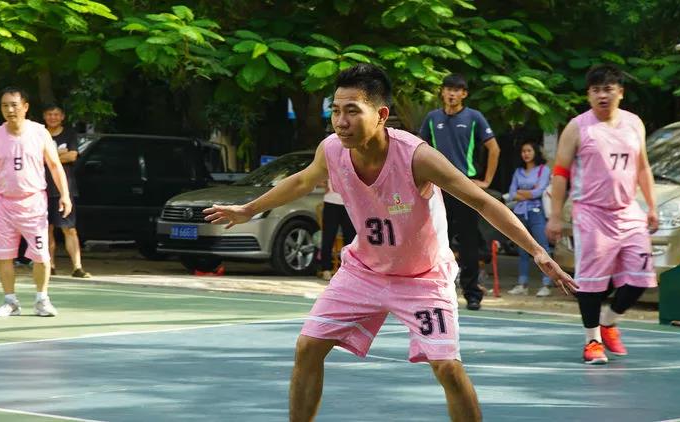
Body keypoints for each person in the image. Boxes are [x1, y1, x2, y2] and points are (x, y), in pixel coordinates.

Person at [205, 64, 576, 421]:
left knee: (447, 367)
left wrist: (537, 251)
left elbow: (482, 202)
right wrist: (248, 209)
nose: (341, 121)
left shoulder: (418, 157)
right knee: (308, 346)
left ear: (381, 115)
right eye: (336, 111)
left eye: (352, 111)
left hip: (423, 278)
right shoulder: (331, 149)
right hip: (363, 271)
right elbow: (302, 180)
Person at [546, 64, 658, 365]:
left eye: (608, 89)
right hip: (591, 214)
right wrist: (555, 216)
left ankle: (608, 322)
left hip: (628, 211)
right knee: (591, 282)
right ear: (589, 95)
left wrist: (652, 206)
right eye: (596, 90)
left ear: (620, 92)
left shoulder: (634, 123)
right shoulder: (578, 127)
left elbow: (643, 166)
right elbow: (560, 173)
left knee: (641, 278)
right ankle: (592, 341)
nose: (602, 95)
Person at [0, 87, 72, 317]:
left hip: (33, 203)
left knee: (41, 255)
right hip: (4, 204)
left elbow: (55, 165)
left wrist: (65, 195)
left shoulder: (40, 133)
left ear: (25, 107)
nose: (10, 110)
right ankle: (10, 301)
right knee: (4, 255)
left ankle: (42, 300)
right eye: (5, 105)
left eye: (14, 105)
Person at [419, 74, 501, 310]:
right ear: (442, 92)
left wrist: (486, 181)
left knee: (468, 243)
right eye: (448, 89)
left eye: (457, 90)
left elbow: (494, 148)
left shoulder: (474, 117)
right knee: (435, 240)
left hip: (465, 187)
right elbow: (419, 148)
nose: (452, 93)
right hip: (438, 188)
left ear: (464, 94)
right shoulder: (432, 118)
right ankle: (433, 290)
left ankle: (472, 293)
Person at [42, 104, 91, 278]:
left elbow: (72, 155)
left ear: (62, 116)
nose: (53, 117)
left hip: (64, 190)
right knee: (46, 229)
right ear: (44, 116)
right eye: (49, 114)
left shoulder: (70, 134)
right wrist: (59, 154)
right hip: (41, 189)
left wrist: (49, 156)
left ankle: (77, 267)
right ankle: (50, 266)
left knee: (69, 229)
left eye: (56, 114)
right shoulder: (39, 134)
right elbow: (36, 158)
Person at [507, 140, 553, 297]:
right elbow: (511, 193)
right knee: (522, 249)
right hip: (520, 212)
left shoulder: (543, 170)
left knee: (542, 247)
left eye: (529, 151)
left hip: (536, 212)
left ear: (535, 152)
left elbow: (540, 191)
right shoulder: (518, 171)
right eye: (523, 151)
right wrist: (529, 192)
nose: (525, 154)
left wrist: (522, 192)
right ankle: (522, 284)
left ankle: (547, 283)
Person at [319, 180, 355, 281]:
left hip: (349, 202)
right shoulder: (330, 167)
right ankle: (326, 269)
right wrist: (323, 183)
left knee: (350, 238)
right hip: (331, 201)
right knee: (328, 236)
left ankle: (350, 270)